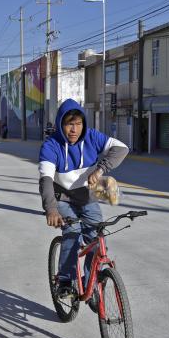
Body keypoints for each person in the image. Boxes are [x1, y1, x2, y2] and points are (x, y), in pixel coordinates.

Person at [39, 99, 128, 306]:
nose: (74, 129)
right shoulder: (51, 146)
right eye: (69, 124)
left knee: (96, 237)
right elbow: (45, 182)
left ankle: (91, 283)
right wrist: (51, 209)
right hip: (62, 198)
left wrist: (100, 169)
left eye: (78, 124)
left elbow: (121, 148)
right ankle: (65, 281)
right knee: (72, 233)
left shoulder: (91, 137)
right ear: (61, 124)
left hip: (87, 197)